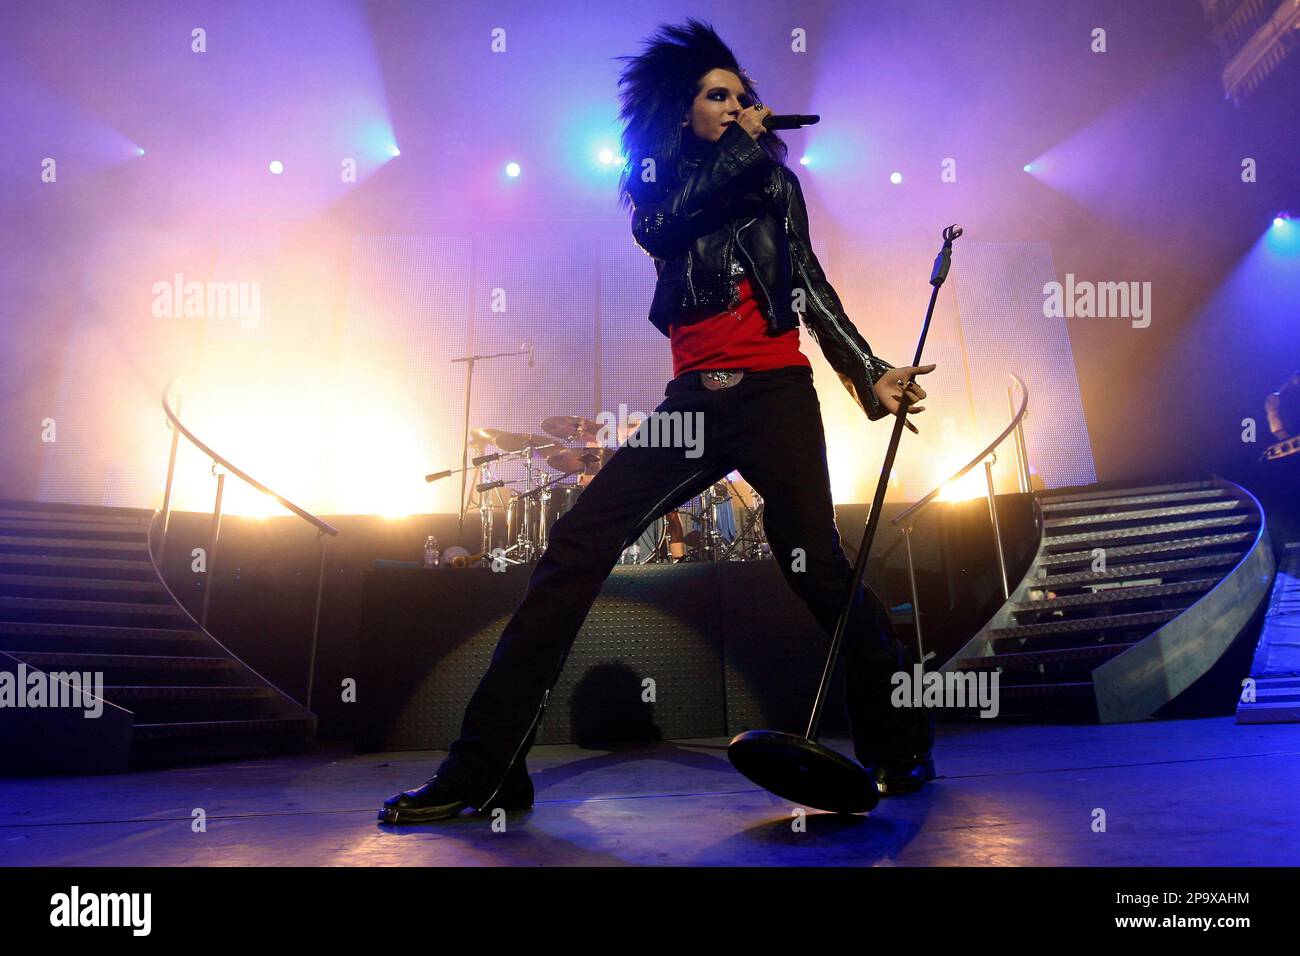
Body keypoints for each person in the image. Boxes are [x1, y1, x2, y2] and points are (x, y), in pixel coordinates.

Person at [379, 18, 936, 824]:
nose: (738, 106)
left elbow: (808, 283)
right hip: (695, 407)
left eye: (744, 96)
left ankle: (897, 744)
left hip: (778, 393)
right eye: (719, 95)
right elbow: (663, 225)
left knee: (818, 567)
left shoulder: (775, 184)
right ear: (684, 109)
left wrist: (868, 369)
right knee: (575, 545)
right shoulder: (656, 175)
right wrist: (745, 148)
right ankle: (485, 767)